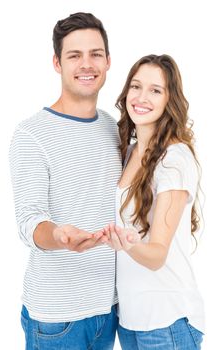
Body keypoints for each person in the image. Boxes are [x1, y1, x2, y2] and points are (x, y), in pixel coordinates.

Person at [9, 12, 121, 350]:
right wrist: (58, 235)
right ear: (57, 63)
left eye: (95, 54)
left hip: (111, 309)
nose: (86, 64)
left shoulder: (113, 127)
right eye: (75, 55)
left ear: (108, 61)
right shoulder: (31, 135)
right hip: (58, 317)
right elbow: (29, 221)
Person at [103, 54, 205, 349]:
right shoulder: (129, 152)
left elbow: (158, 253)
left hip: (168, 323)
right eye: (136, 86)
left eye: (155, 90)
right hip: (130, 322)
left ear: (169, 100)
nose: (141, 97)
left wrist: (127, 243)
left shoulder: (175, 159)